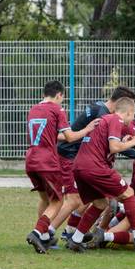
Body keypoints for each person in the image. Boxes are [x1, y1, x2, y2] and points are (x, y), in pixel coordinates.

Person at [69, 99, 135, 252]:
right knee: (128, 193)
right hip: (95, 167)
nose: (132, 120)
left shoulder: (106, 120)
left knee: (100, 204)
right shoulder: (116, 119)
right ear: (129, 113)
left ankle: (75, 240)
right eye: (133, 116)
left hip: (79, 167)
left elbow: (111, 144)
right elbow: (115, 147)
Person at [54, 86, 135, 245]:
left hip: (78, 157)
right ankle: (47, 232)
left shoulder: (100, 108)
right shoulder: (106, 116)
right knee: (75, 199)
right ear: (118, 103)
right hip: (71, 155)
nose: (130, 114)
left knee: (93, 200)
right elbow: (112, 145)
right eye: (129, 109)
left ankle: (71, 232)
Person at [24, 80, 98, 254]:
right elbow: (71, 137)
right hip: (47, 162)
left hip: (31, 160)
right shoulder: (57, 109)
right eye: (61, 98)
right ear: (59, 95)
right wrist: (87, 129)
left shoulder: (34, 109)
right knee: (57, 201)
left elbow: (52, 135)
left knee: (45, 200)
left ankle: (43, 238)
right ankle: (37, 232)